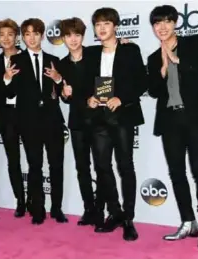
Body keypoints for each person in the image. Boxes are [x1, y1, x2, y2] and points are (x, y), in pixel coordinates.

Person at [147, 5, 198, 250]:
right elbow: (156, 92)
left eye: (167, 21)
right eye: (157, 23)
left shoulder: (193, 43)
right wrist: (163, 70)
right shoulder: (152, 57)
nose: (163, 27)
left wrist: (180, 61)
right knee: (177, 173)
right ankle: (188, 222)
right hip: (170, 122)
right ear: (154, 28)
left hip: (197, 118)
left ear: (175, 22)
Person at [86, 8, 147, 240]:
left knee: (125, 166)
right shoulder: (91, 54)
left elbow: (142, 81)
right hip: (99, 118)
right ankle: (115, 213)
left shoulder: (130, 50)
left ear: (115, 26)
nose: (101, 28)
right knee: (102, 167)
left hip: (122, 116)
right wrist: (87, 98)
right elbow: (80, 79)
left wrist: (121, 97)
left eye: (106, 24)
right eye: (97, 24)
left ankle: (129, 218)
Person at [5, 18, 67, 225]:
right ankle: (38, 209)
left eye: (36, 33)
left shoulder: (54, 59)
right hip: (29, 122)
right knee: (35, 166)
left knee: (56, 165)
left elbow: (65, 94)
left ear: (42, 35)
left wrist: (58, 79)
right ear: (23, 37)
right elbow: (9, 94)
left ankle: (57, 208)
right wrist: (7, 79)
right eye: (28, 34)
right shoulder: (15, 61)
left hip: (53, 121)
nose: (32, 38)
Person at [0, 18, 31, 218]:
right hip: (6, 117)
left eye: (10, 34)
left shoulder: (29, 58)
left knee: (34, 160)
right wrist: (5, 79)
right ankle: (20, 201)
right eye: (1, 35)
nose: (6, 38)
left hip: (28, 115)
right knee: (13, 160)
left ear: (16, 36)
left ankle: (34, 199)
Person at [59, 18, 95, 226]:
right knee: (83, 167)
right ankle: (89, 209)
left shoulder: (95, 55)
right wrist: (64, 94)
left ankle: (104, 209)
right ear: (63, 38)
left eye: (77, 35)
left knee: (103, 166)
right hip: (78, 121)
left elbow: (105, 81)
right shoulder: (62, 64)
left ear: (83, 36)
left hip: (100, 119)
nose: (73, 40)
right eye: (69, 35)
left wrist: (124, 43)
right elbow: (65, 96)